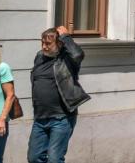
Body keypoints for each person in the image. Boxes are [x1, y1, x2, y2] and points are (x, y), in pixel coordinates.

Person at [28, 26, 89, 163]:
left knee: (55, 159)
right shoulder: (40, 57)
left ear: (59, 43)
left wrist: (66, 37)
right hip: (40, 118)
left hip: (61, 118)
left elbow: (78, 54)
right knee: (34, 157)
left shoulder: (67, 60)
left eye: (48, 43)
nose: (44, 47)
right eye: (42, 43)